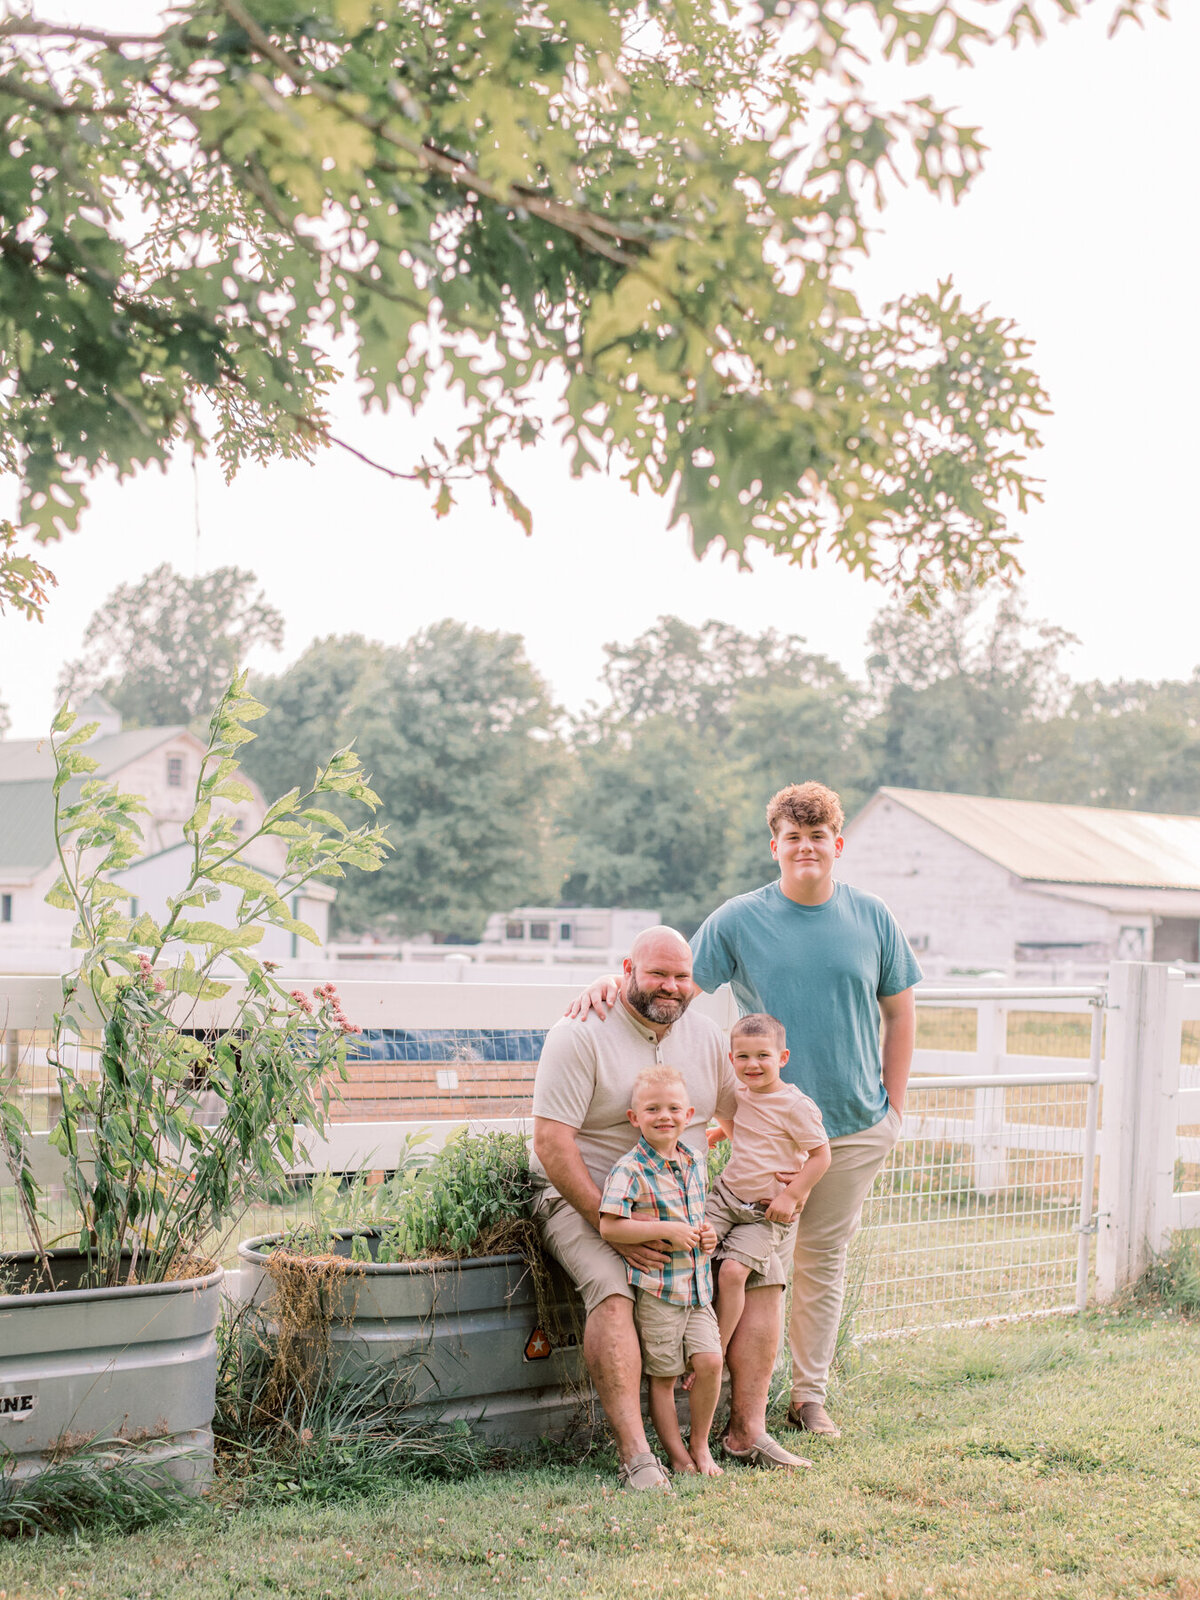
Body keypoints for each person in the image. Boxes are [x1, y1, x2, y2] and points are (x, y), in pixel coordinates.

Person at [569, 781, 921, 1439]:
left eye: (818, 838)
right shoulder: (739, 919)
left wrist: (893, 1109)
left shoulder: (873, 917)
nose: (806, 848)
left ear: (837, 845)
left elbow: (899, 1012)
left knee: (824, 1261)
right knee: (751, 1264)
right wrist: (613, 984)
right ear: (775, 847)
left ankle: (810, 1396)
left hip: (852, 1126)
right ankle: (731, 1402)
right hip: (765, 1133)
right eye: (794, 838)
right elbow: (673, 987)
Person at [532, 924, 812, 1491]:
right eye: (657, 973)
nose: (671, 986)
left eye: (682, 976)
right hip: (585, 1194)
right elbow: (551, 1143)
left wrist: (786, 1172)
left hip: (687, 1199)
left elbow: (744, 1115)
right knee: (612, 1288)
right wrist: (613, 1228)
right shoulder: (580, 1031)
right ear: (627, 969)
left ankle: (746, 1431)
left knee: (761, 1270)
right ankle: (637, 1456)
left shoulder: (707, 1038)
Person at [598, 1066, 724, 1478]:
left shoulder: (696, 1160)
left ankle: (700, 1444)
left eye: (673, 1108)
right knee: (665, 1376)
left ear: (688, 1115)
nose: (663, 1116)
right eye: (652, 1109)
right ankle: (677, 1454)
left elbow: (699, 1217)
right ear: (635, 1118)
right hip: (659, 1292)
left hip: (698, 1288)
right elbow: (610, 1225)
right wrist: (664, 1230)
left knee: (709, 1361)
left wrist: (709, 1236)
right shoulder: (630, 1169)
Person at [706, 1013, 831, 1359]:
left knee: (732, 1272)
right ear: (732, 1060)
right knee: (694, 1245)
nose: (753, 1064)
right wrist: (719, 1132)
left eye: (763, 1055)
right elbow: (748, 1129)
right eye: (743, 1056)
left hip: (764, 1212)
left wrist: (791, 1196)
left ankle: (717, 1345)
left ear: (782, 1058)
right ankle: (691, 1330)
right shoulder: (742, 1095)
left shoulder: (795, 1105)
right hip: (726, 1196)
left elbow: (822, 1156)